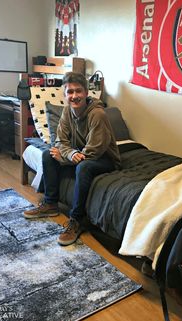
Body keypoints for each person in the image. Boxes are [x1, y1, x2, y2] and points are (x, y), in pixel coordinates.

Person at [23, 72, 121, 246]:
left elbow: (93, 152)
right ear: (64, 94)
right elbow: (60, 141)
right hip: (80, 153)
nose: (74, 96)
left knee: (83, 167)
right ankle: (51, 203)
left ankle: (76, 220)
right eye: (70, 92)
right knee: (48, 154)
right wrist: (69, 154)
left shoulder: (97, 114)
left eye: (78, 91)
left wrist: (65, 159)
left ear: (86, 93)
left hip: (104, 158)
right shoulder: (67, 111)